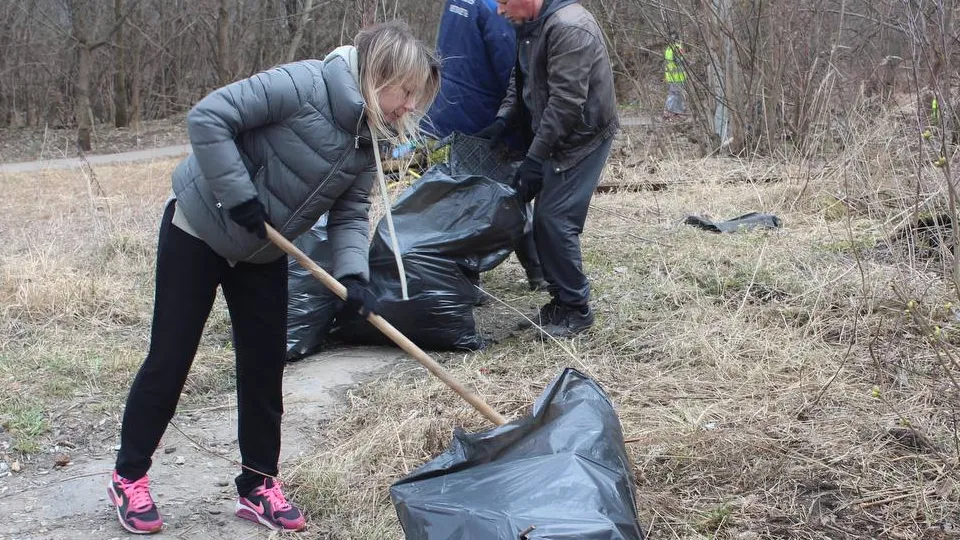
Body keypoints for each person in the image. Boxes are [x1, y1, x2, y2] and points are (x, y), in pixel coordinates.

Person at [107, 21, 440, 535]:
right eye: (407, 91)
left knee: (264, 368)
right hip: (198, 227)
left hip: (263, 251)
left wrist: (353, 276)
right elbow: (209, 117)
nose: (409, 106)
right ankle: (128, 477)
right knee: (171, 357)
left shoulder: (366, 136)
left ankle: (258, 484)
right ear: (381, 74)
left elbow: (351, 212)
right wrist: (236, 194)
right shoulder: (302, 84)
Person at [480, 0, 619, 336]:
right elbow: (520, 81)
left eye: (503, 1)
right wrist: (502, 120)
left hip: (582, 137)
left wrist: (534, 159)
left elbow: (567, 103)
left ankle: (576, 310)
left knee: (555, 219)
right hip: (555, 134)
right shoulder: (531, 26)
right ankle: (560, 302)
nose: (499, 10)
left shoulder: (569, 27)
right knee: (544, 220)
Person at [426, 0, 547, 290]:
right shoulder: (495, 6)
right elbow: (512, 66)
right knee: (509, 191)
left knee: (468, 192)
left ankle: (471, 277)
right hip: (486, 115)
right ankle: (535, 270)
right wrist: (520, 119)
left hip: (454, 108)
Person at [663, 30, 687, 119]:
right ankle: (670, 111)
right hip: (677, 77)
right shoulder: (676, 48)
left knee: (676, 95)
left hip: (672, 76)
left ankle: (676, 112)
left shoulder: (669, 48)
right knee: (675, 95)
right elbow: (679, 61)